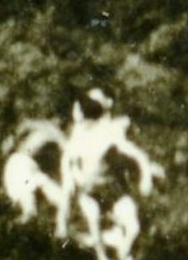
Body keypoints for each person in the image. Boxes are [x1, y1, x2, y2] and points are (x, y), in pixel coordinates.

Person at [59, 87, 163, 259]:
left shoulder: (107, 134)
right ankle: (103, 253)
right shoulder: (76, 139)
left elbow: (137, 154)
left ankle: (123, 252)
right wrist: (69, 181)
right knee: (93, 220)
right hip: (89, 191)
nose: (84, 124)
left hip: (111, 190)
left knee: (133, 228)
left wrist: (145, 176)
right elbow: (67, 166)